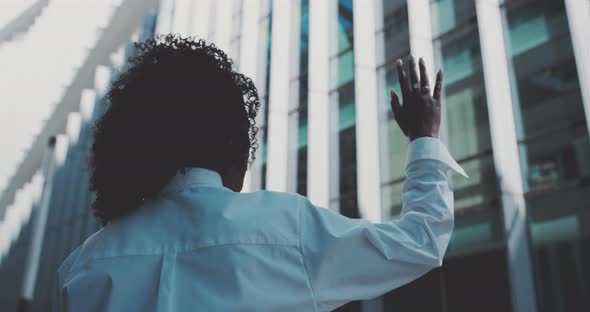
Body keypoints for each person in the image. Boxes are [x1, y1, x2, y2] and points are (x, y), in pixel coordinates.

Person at [58, 35, 466, 312]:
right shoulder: (287, 228)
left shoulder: (86, 265)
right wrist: (423, 137)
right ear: (233, 142)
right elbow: (422, 242)